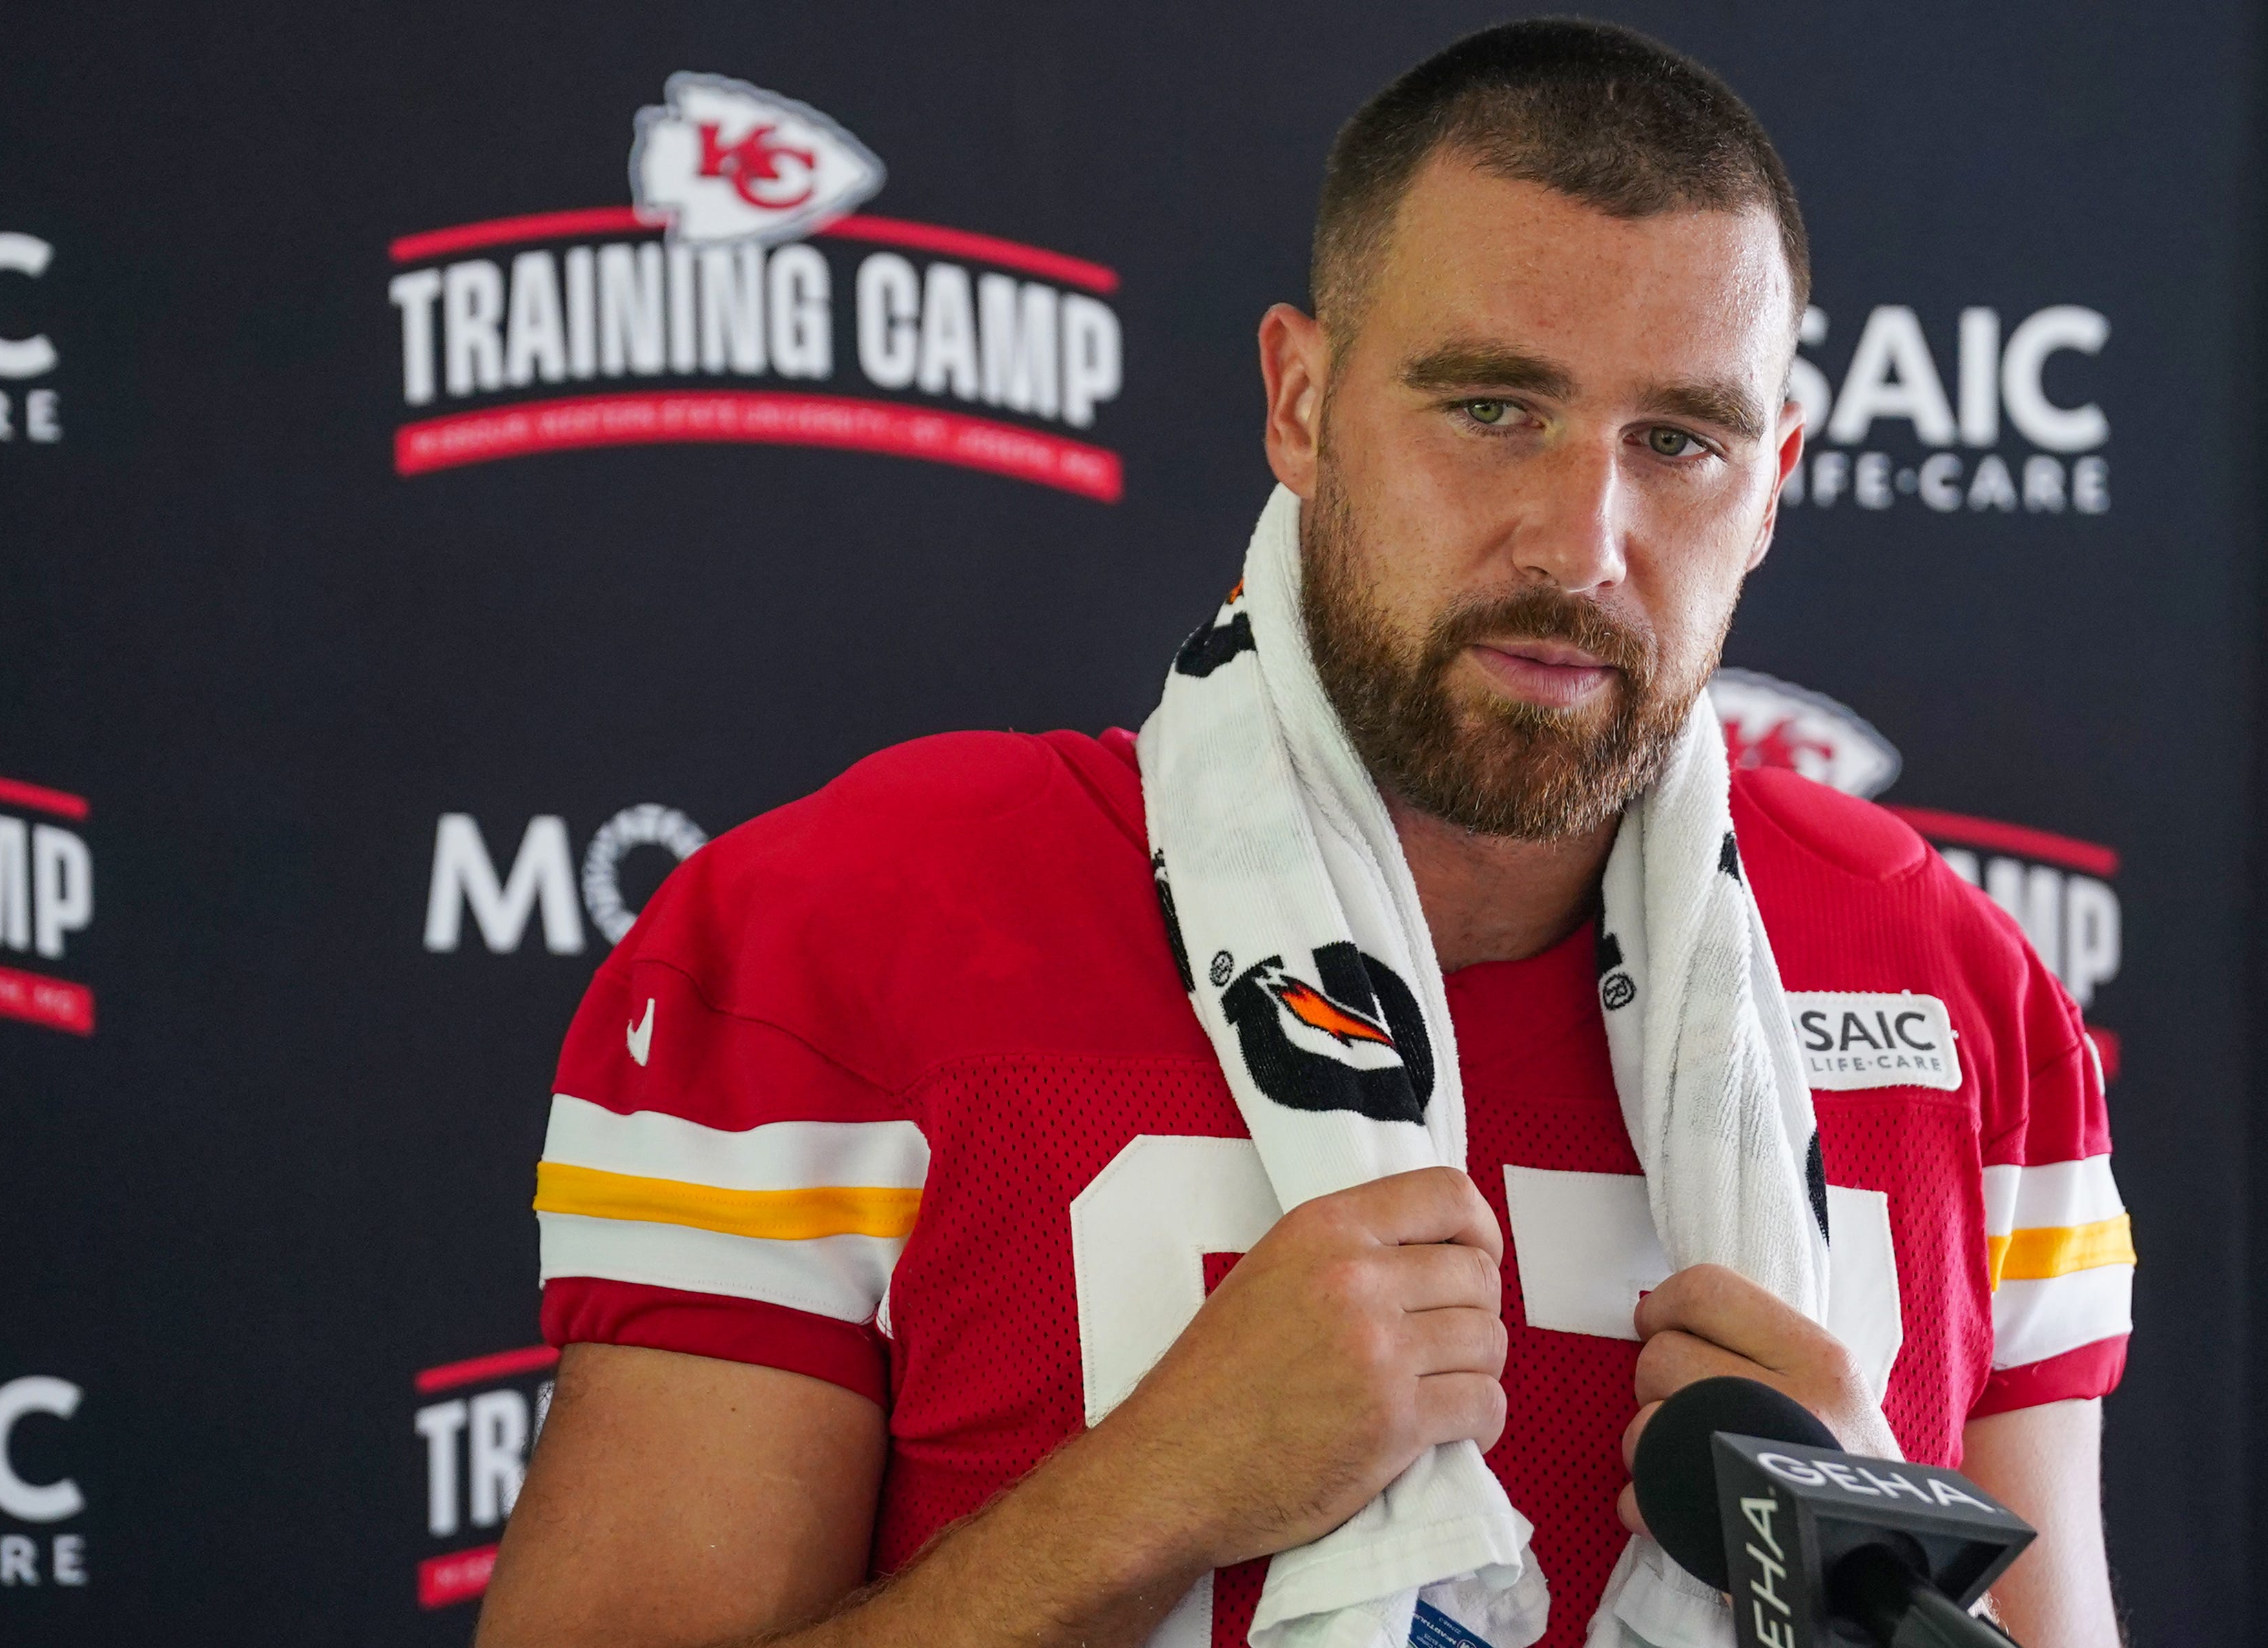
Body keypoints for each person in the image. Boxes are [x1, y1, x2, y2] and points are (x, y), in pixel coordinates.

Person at [477, 20, 2130, 1648]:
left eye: (1678, 442)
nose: (1581, 538)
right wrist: (1154, 1488)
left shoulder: (1957, 993)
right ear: (1301, 399)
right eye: (1494, 406)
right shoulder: (846, 930)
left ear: (1772, 483)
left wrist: (1863, 1575)